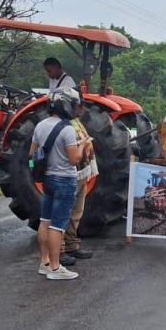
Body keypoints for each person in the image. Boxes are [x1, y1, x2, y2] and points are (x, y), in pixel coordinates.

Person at [31, 87, 86, 280]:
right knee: (58, 225)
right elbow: (74, 160)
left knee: (45, 221)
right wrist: (82, 145)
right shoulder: (68, 129)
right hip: (64, 180)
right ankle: (55, 268)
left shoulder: (40, 126)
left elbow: (33, 154)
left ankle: (44, 262)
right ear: (65, 105)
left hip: (47, 178)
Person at [60, 100, 97, 266]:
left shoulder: (76, 123)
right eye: (79, 106)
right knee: (64, 213)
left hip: (83, 171)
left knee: (76, 212)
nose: (83, 109)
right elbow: (73, 153)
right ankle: (59, 251)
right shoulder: (65, 126)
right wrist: (83, 145)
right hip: (71, 173)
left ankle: (71, 245)